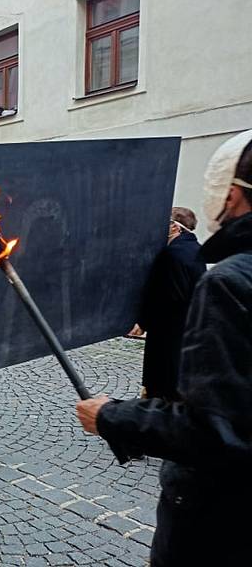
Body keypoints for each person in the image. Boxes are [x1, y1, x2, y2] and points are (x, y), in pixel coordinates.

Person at [76, 129, 252, 566]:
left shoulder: (229, 281)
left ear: (231, 196)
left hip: (221, 523)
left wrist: (112, 416)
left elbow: (217, 431)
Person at [137, 207, 206, 400]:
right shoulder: (195, 249)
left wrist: (143, 322)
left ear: (175, 228)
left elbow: (166, 300)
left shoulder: (172, 254)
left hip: (167, 338)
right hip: (185, 334)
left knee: (161, 390)